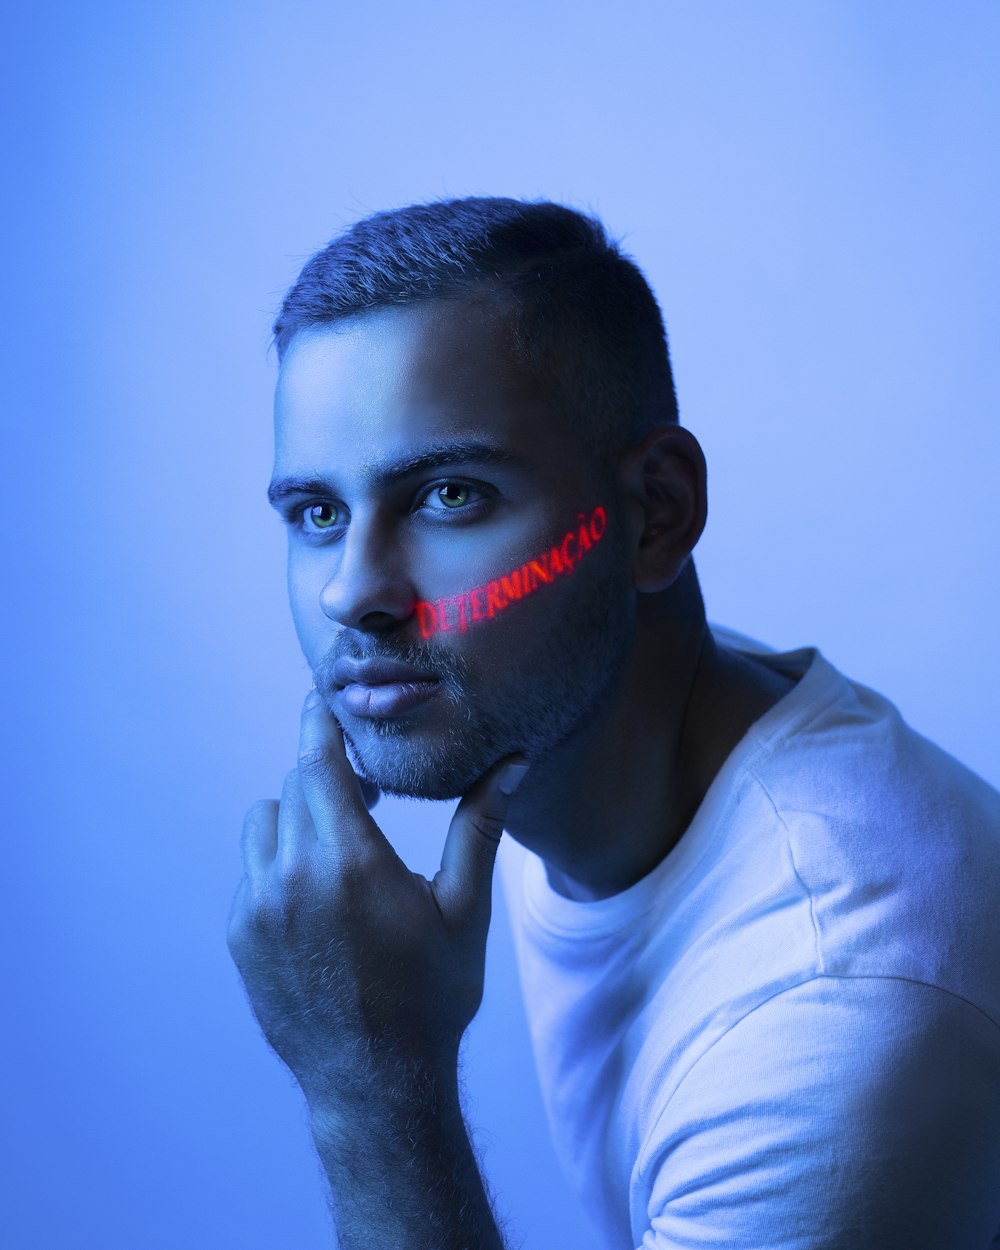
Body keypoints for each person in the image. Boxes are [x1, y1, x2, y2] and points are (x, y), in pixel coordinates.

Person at [226, 197, 1000, 1250]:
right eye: (317, 514)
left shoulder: (834, 1008)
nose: (353, 592)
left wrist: (370, 1088)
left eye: (449, 493)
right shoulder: (556, 731)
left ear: (656, 510)